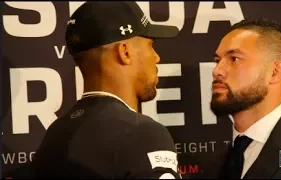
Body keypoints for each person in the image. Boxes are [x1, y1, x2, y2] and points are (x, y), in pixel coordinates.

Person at [31, 2, 182, 179]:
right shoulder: (143, 134)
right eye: (150, 45)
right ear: (125, 52)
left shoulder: (54, 135)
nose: (157, 57)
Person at [210, 17, 281, 179]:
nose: (217, 70)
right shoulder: (215, 164)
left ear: (275, 72)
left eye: (234, 59)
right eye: (218, 60)